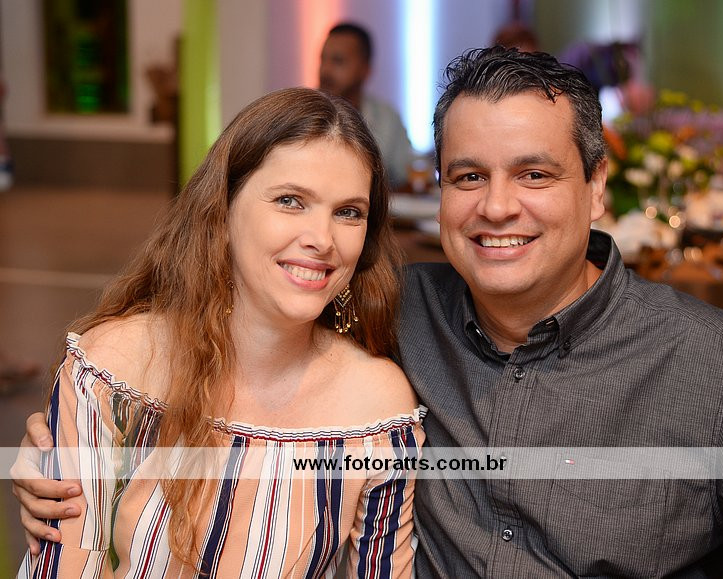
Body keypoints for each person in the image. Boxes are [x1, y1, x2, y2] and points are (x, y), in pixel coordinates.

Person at [14, 48, 723, 577]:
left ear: (596, 188)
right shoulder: (389, 311)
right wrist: (76, 442)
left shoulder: (720, 368)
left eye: (534, 174)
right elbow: (242, 324)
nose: (498, 206)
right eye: (468, 176)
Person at [12, 87, 422, 577]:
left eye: (348, 212)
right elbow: (63, 562)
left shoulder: (376, 410)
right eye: (290, 201)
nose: (322, 240)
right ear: (222, 211)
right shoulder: (114, 369)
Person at [318, 22, 413, 189]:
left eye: (338, 61)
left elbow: (408, 178)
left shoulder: (387, 117)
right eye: (323, 59)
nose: (325, 70)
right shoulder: (299, 114)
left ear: (365, 69)